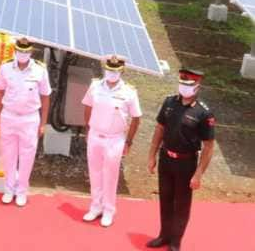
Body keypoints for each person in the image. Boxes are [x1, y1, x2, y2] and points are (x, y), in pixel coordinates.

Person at [146, 69, 215, 251]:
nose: (183, 87)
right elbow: (160, 128)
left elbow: (208, 146)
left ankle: (175, 242)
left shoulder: (204, 113)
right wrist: (151, 155)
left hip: (186, 164)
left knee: (182, 204)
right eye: (182, 83)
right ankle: (164, 235)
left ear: (197, 87)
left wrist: (198, 174)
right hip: (166, 159)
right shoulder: (169, 102)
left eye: (188, 84)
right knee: (166, 199)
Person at [81, 55, 142, 227]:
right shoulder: (95, 86)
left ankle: (109, 210)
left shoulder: (129, 92)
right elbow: (87, 107)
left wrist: (128, 142)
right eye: (109, 70)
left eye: (115, 71)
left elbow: (136, 118)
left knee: (110, 175)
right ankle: (95, 207)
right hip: (95, 135)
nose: (111, 73)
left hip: (114, 139)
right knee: (94, 173)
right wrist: (88, 129)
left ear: (121, 71)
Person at [0, 38, 51, 207]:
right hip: (9, 116)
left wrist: (43, 123)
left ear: (31, 52)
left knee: (27, 155)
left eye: (26, 52)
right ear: (15, 50)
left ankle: (22, 190)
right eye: (20, 51)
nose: (23, 54)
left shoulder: (40, 70)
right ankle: (9, 189)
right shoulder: (5, 68)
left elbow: (46, 97)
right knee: (8, 154)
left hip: (29, 118)